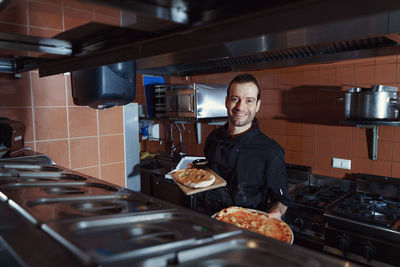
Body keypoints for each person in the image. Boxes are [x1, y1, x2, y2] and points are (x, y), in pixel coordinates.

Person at [198, 73, 290, 219]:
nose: (240, 107)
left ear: (257, 105)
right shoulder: (213, 139)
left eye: (249, 101)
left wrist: (276, 213)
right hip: (209, 222)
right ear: (226, 101)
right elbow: (211, 176)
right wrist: (197, 173)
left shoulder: (271, 151)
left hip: (247, 227)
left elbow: (281, 200)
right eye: (235, 99)